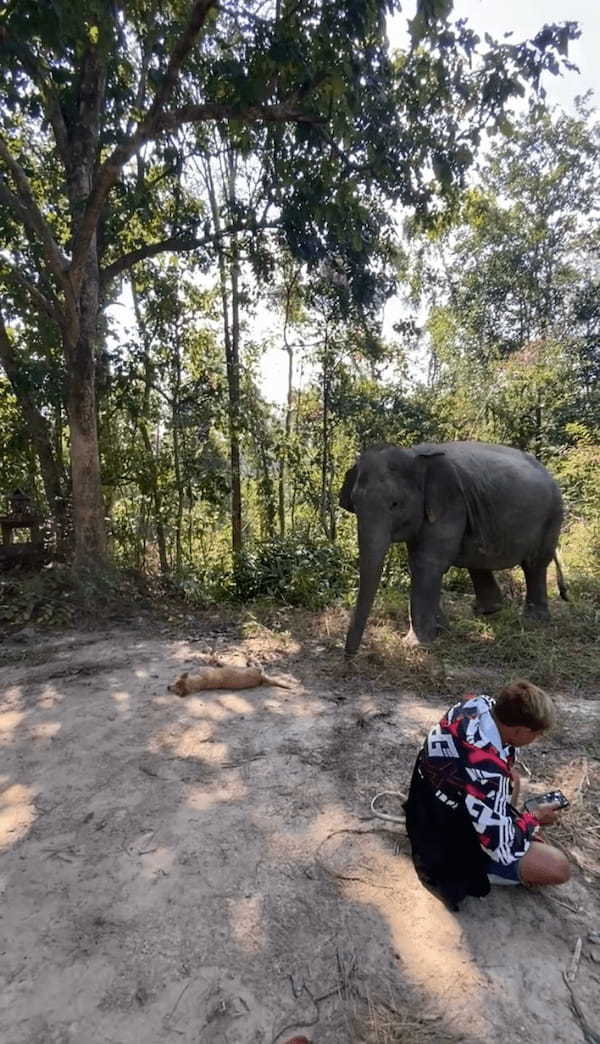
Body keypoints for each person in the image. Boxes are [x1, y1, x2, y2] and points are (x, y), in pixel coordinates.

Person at [404, 679, 570, 910]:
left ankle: (503, 830)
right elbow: (502, 848)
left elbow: (486, 767)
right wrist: (531, 820)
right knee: (558, 867)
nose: (538, 737)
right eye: (537, 732)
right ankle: (479, 869)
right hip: (443, 835)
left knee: (513, 778)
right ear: (519, 730)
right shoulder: (487, 774)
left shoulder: (478, 703)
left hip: (426, 799)